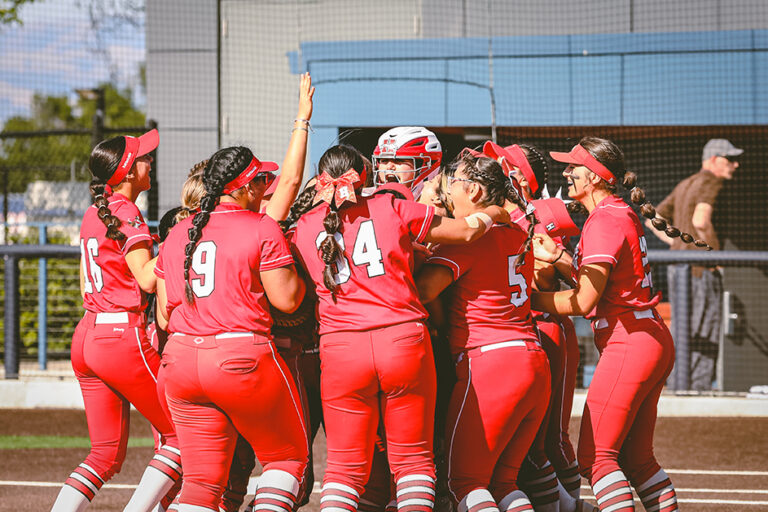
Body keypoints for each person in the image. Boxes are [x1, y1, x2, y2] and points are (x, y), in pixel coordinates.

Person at [290, 144, 511, 512]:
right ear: (363, 176)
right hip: (402, 339)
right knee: (413, 462)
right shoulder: (392, 206)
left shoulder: (304, 225)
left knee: (343, 469)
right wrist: (492, 212)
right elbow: (466, 233)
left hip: (341, 346)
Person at [531, 136, 703, 512]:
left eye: (573, 167)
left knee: (596, 459)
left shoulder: (604, 219)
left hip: (631, 342)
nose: (566, 173)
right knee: (637, 460)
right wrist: (559, 256)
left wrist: (524, 301)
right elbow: (599, 285)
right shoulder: (615, 211)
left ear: (593, 176)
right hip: (647, 336)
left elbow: (583, 301)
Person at [154, 146, 309, 512]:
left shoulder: (178, 232)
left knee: (200, 484)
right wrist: (303, 274)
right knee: (287, 460)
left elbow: (163, 314)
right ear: (240, 187)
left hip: (180, 361)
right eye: (257, 181)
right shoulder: (260, 226)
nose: (261, 188)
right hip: (241, 359)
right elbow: (287, 300)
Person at [52, 129, 182, 512]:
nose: (149, 160)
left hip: (89, 332)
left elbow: (84, 282)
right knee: (182, 434)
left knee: (105, 455)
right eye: (142, 156)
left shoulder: (95, 211)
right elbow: (145, 278)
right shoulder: (125, 211)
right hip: (119, 337)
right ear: (126, 171)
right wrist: (184, 240)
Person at [415, 153, 549, 512]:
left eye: (452, 184)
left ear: (473, 191)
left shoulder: (468, 241)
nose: (445, 192)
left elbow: (424, 290)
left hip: (491, 365)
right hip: (532, 360)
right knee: (503, 484)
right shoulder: (518, 231)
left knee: (464, 485)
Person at [650, 138, 741, 391]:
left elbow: (653, 219)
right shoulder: (711, 180)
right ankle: (696, 390)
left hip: (678, 267)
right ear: (713, 159)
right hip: (699, 268)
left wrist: (678, 243)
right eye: (729, 159)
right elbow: (701, 220)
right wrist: (712, 254)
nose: (735, 164)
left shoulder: (686, 183)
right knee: (704, 327)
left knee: (682, 327)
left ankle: (678, 385)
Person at [372, 126, 442, 198]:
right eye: (384, 160)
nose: (389, 167)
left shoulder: (437, 204)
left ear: (424, 166)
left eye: (399, 160)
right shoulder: (368, 199)